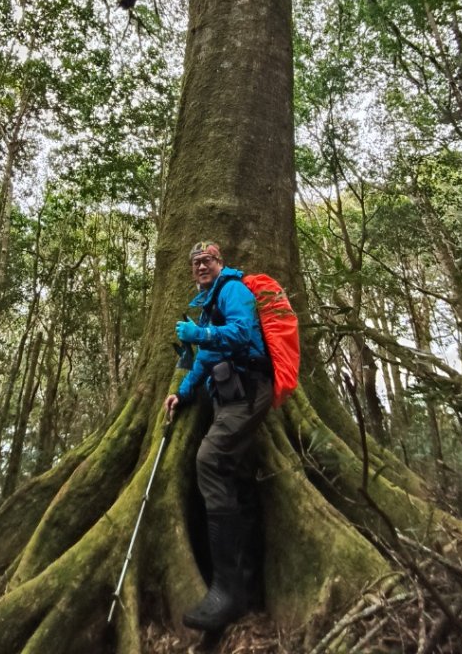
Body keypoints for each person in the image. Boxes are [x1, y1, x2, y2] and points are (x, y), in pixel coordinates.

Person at [164, 240, 273, 631]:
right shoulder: (208, 307)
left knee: (209, 461)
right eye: (195, 262)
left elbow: (242, 335)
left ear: (220, 262)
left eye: (207, 260)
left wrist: (198, 333)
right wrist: (183, 391)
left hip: (249, 390)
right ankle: (247, 582)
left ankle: (227, 592)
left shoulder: (233, 291)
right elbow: (206, 362)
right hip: (228, 397)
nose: (200, 266)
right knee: (233, 476)